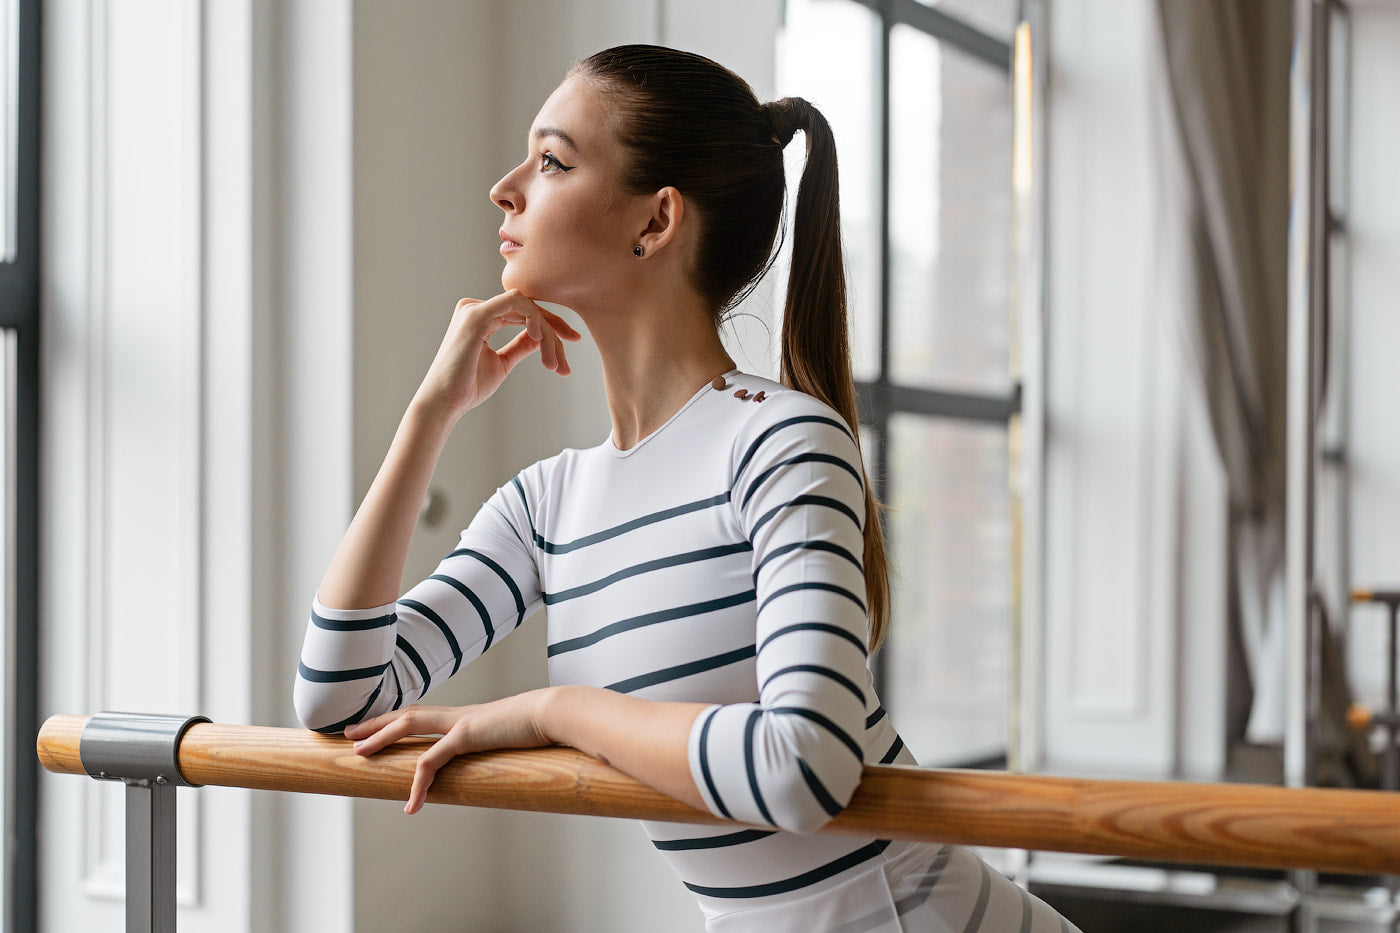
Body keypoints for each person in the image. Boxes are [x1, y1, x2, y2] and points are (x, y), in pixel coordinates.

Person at [295, 44, 1078, 933]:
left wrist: (554, 710)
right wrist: (428, 415)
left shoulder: (778, 441)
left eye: (551, 160)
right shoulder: (548, 505)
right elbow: (340, 700)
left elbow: (802, 764)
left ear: (657, 220)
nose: (505, 188)